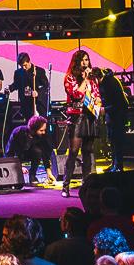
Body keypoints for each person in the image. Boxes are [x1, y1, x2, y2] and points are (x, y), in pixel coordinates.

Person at [57, 49, 102, 188]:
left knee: (88, 151)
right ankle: (66, 184)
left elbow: (97, 94)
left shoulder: (93, 78)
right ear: (76, 62)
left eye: (86, 59)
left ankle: (86, 183)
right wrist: (85, 80)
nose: (85, 62)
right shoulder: (70, 77)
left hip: (90, 116)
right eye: (82, 60)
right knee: (74, 151)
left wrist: (98, 101)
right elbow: (76, 94)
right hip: (77, 116)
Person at [4, 114, 54, 188]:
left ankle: (32, 175)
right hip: (16, 157)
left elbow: (45, 152)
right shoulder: (18, 132)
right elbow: (9, 151)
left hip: (28, 154)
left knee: (38, 152)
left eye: (44, 130)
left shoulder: (42, 135)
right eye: (41, 130)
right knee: (18, 185)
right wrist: (19, 166)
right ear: (33, 130)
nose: (43, 132)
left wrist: (48, 170)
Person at [99, 66, 132, 171]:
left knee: (117, 141)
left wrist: (105, 109)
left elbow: (119, 103)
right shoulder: (107, 82)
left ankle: (118, 166)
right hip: (112, 115)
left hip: (118, 115)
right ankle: (114, 164)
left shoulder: (109, 83)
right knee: (112, 141)